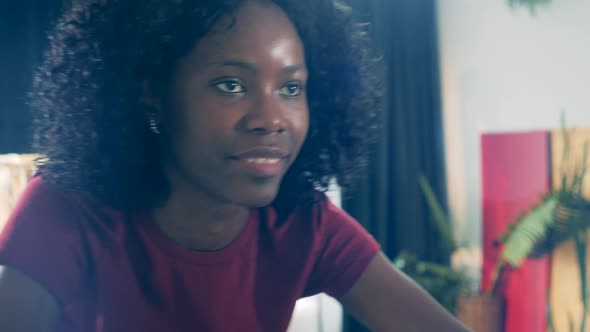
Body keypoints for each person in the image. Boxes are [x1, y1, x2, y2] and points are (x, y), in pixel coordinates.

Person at [0, 0, 471, 331]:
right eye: (230, 85)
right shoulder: (66, 211)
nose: (271, 120)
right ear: (153, 93)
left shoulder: (304, 223)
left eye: (291, 89)